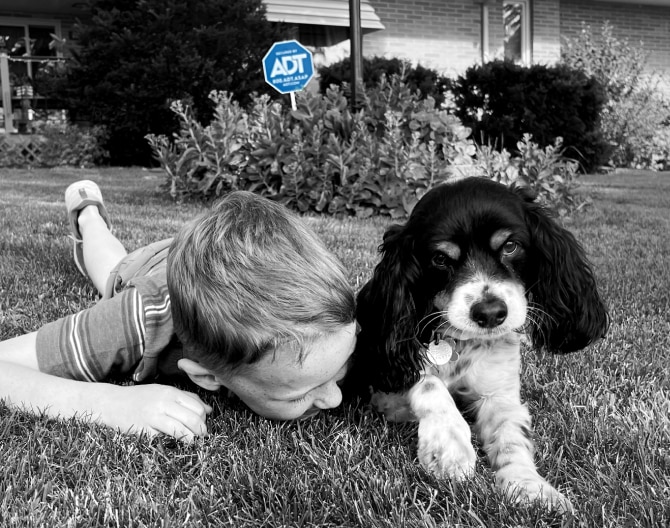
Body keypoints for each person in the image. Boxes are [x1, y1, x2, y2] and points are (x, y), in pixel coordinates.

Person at [0, 180, 357, 441]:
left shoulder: (325, 298)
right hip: (145, 269)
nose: (335, 398)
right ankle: (87, 212)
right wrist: (108, 403)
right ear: (207, 378)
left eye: (342, 364)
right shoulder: (137, 319)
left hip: (203, 263)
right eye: (297, 395)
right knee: (109, 264)